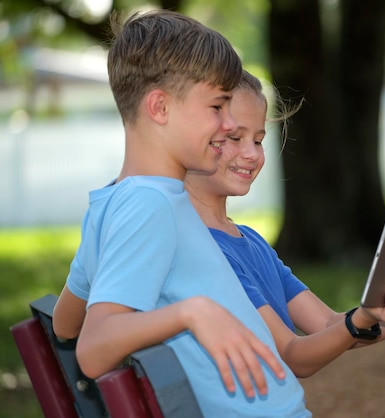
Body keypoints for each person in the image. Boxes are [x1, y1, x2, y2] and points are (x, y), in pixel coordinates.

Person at [51, 10, 317, 417]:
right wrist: (192, 312)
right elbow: (92, 347)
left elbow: (65, 324)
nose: (227, 123)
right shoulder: (149, 204)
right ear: (159, 107)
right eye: (217, 106)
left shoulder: (114, 202)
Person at [185, 70, 385, 377]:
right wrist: (361, 319)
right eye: (234, 138)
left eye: (258, 140)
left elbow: (326, 324)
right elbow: (293, 356)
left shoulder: (251, 241)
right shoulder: (204, 251)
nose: (252, 154)